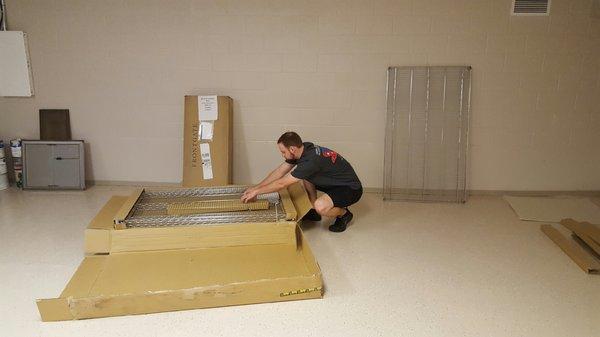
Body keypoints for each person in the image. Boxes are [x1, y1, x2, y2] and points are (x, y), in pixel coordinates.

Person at [241, 131, 362, 232]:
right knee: (304, 175)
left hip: (350, 188)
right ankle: (313, 211)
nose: (282, 155)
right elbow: (279, 172)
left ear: (292, 149)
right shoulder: (304, 149)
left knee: (320, 206)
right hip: (333, 183)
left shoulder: (311, 161)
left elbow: (281, 183)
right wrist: (256, 188)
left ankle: (344, 214)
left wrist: (257, 193)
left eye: (283, 152)